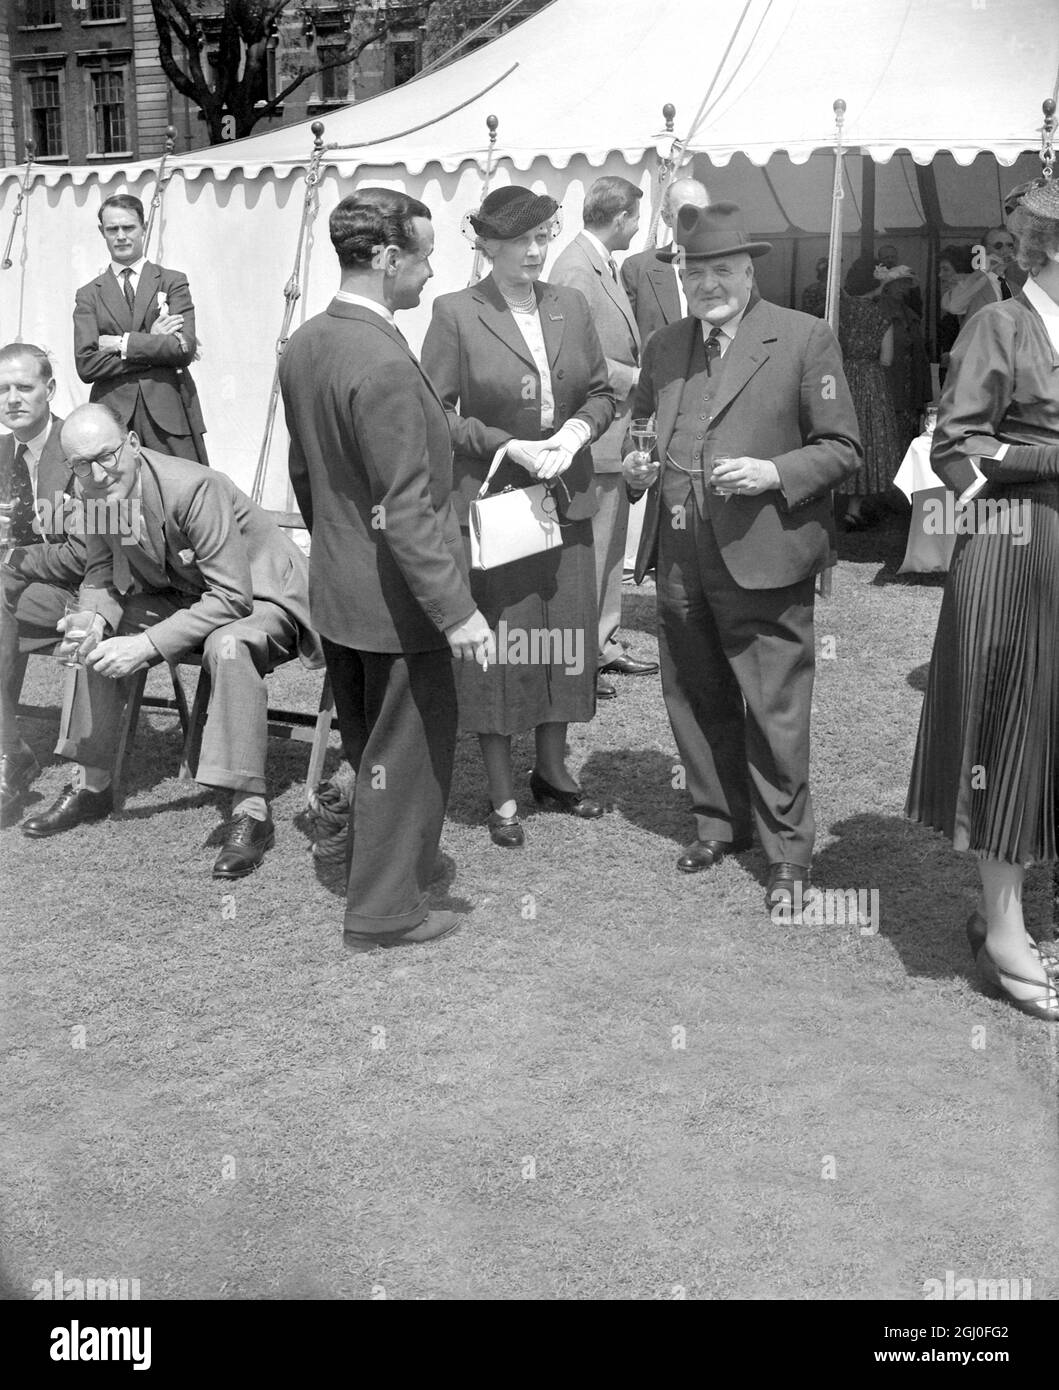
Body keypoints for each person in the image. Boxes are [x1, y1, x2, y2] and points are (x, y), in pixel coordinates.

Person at [625, 202, 861, 910]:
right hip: (678, 554)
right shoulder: (663, 346)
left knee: (773, 706)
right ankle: (717, 820)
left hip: (765, 554)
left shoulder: (801, 338)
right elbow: (642, 425)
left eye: (721, 269)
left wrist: (773, 474)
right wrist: (637, 468)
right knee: (694, 695)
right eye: (694, 272)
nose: (707, 284)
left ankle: (787, 852)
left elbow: (842, 448)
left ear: (748, 269)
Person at [280, 189, 493, 949]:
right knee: (407, 753)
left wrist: (339, 552)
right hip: (398, 604)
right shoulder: (382, 362)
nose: (431, 273)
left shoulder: (307, 343)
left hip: (340, 591)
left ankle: (392, 865)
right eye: (425, 255)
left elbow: (308, 479)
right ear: (386, 257)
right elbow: (406, 510)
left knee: (370, 747)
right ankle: (384, 912)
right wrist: (457, 611)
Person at [20, 404, 321, 882]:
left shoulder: (194, 488)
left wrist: (146, 646)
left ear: (134, 444)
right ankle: (92, 784)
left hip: (260, 596)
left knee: (229, 645)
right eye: (81, 464)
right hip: (183, 594)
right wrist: (92, 617)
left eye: (107, 456)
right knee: (92, 637)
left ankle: (251, 812)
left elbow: (231, 598)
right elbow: (100, 571)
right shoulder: (93, 489)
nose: (97, 474)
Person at [421, 185, 616, 849]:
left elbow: (598, 391)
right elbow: (436, 412)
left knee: (562, 635)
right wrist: (505, 445)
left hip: (566, 499)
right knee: (503, 644)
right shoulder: (455, 313)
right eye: (520, 240)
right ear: (488, 244)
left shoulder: (571, 305)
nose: (535, 251)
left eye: (543, 237)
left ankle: (555, 771)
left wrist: (576, 435)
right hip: (499, 506)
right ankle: (502, 787)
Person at [906, 179, 1059, 1022]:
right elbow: (954, 446)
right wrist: (1040, 463)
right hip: (1014, 549)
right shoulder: (999, 324)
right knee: (1007, 726)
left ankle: (1012, 909)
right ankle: (1001, 928)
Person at [550, 176, 659, 701]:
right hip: (593, 432)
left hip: (611, 433)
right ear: (618, 219)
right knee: (590, 552)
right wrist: (633, 378)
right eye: (637, 218)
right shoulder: (575, 267)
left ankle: (602, 642)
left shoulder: (599, 265)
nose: (639, 229)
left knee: (612, 546)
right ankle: (581, 659)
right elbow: (569, 354)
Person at [0, 344, 83, 825]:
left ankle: (10, 756)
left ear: (49, 390)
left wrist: (13, 557)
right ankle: (11, 749)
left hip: (87, 590)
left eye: (24, 388)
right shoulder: (3, 452)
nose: (12, 399)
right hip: (26, 590)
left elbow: (91, 550)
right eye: (3, 389)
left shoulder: (79, 446)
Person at [73, 194, 209, 466]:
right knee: (118, 500)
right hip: (113, 418)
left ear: (144, 227)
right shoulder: (89, 294)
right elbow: (87, 365)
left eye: (129, 227)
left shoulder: (172, 282)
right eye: (113, 229)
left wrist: (122, 343)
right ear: (102, 232)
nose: (121, 236)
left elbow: (182, 349)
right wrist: (154, 343)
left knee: (182, 494)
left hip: (169, 415)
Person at [835, 254, 902, 529]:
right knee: (869, 438)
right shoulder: (881, 315)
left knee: (838, 434)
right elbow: (887, 358)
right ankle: (854, 508)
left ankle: (831, 497)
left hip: (841, 375)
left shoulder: (840, 309)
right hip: (870, 379)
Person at [621, 177, 710, 344]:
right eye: (687, 212)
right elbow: (624, 342)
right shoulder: (638, 270)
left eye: (704, 211)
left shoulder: (731, 266)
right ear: (666, 218)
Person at [877, 267, 932, 451]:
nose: (903, 287)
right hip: (888, 387)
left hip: (910, 389)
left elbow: (921, 356)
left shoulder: (911, 315)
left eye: (906, 284)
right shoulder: (878, 312)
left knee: (909, 439)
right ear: (888, 286)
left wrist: (924, 394)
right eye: (899, 283)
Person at [954, 225, 1028, 322]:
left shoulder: (1017, 290)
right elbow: (954, 306)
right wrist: (984, 271)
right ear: (985, 250)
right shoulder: (969, 282)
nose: (1005, 251)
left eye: (1010, 246)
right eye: (999, 246)